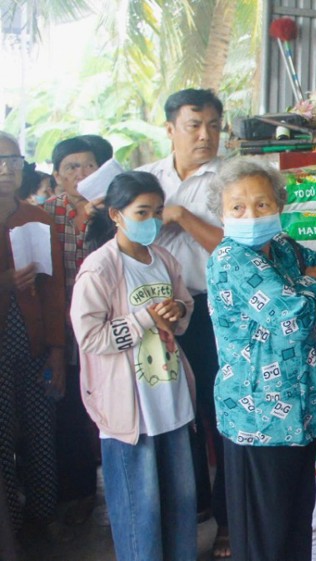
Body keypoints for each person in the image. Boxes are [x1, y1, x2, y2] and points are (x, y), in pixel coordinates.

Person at [207, 158, 316, 561]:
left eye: (262, 204)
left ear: (279, 205)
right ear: (221, 214)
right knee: (265, 538)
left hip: (297, 410)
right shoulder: (231, 259)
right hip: (259, 417)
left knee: (294, 524)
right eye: (237, 207)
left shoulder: (284, 247)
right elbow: (292, 317)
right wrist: (314, 282)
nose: (251, 215)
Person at [71, 171, 197, 561]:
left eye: (158, 212)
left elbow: (185, 306)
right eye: (142, 212)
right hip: (130, 411)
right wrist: (144, 319)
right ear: (116, 215)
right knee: (139, 511)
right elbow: (90, 338)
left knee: (182, 503)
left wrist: (178, 311)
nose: (152, 221)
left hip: (171, 400)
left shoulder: (164, 259)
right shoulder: (100, 269)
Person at [137, 88, 229, 556]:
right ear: (170, 128)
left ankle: (228, 518)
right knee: (175, 412)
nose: (205, 135)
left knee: (220, 412)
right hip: (159, 314)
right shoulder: (147, 178)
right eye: (194, 125)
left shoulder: (231, 177)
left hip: (216, 309)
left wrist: (183, 217)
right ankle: (193, 510)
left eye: (214, 125)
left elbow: (238, 247)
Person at [0, 131, 67, 539]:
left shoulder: (36, 218)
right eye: (0, 160)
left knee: (41, 427)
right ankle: (8, 523)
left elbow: (53, 289)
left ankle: (42, 515)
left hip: (33, 338)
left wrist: (57, 349)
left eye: (13, 160)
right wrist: (5, 281)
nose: (7, 169)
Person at [44, 136, 107, 526]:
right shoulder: (44, 215)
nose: (81, 174)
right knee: (67, 412)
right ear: (56, 175)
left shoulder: (115, 211)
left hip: (108, 330)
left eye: (89, 166)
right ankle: (78, 493)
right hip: (62, 331)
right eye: (71, 167)